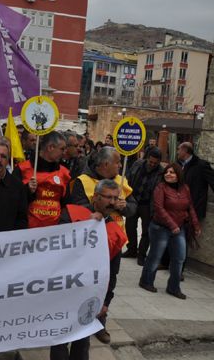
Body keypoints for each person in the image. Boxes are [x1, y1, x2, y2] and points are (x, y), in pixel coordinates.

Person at [51, 179, 127, 360]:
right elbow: (57, 246)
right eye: (108, 197)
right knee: (60, 339)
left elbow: (112, 272)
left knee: (82, 341)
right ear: (95, 198)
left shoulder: (115, 231)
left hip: (90, 295)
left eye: (115, 198)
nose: (112, 202)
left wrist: (106, 301)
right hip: (65, 289)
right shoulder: (70, 214)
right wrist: (86, 224)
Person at [67, 146, 136, 343]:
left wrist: (125, 207)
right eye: (117, 162)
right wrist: (103, 206)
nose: (120, 166)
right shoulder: (82, 181)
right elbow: (76, 206)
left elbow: (133, 207)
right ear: (106, 164)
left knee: (108, 281)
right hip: (88, 243)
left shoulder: (122, 182)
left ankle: (100, 321)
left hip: (114, 242)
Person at [139, 163, 201, 299]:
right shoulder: (160, 187)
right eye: (167, 172)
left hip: (179, 229)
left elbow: (190, 207)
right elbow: (159, 208)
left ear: (178, 175)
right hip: (160, 227)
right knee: (155, 257)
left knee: (179, 258)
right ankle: (146, 281)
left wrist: (196, 225)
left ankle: (173, 288)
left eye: (172, 172)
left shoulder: (185, 188)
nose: (168, 174)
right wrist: (172, 225)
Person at [15, 131, 70, 228]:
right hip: (27, 232)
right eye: (62, 149)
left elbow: (67, 205)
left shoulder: (65, 173)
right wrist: (27, 190)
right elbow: (12, 199)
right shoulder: (22, 169)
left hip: (55, 232)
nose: (64, 152)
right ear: (50, 147)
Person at [124, 148, 163, 264]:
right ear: (147, 158)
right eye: (150, 162)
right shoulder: (138, 164)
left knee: (146, 231)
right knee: (130, 226)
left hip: (148, 204)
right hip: (134, 200)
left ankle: (141, 254)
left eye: (155, 163)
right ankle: (131, 249)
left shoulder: (161, 172)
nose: (152, 164)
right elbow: (128, 178)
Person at [177, 142, 214, 220]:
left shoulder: (201, 165)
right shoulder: (178, 164)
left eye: (179, 149)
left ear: (185, 150)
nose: (177, 152)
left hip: (194, 211)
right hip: (179, 209)